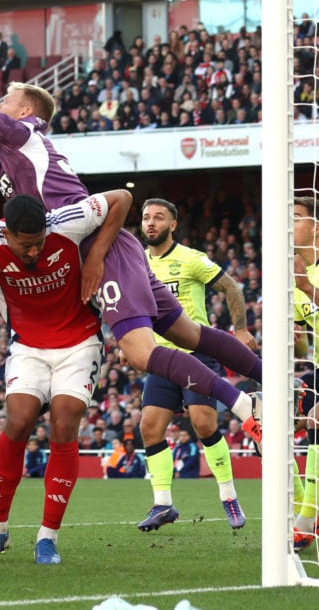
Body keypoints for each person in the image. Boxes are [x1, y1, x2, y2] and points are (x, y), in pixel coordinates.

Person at [0, 0, 263, 445]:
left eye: (8, 98)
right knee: (189, 333)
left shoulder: (23, 137)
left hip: (102, 245)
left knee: (138, 351)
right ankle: (275, 382)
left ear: (27, 111)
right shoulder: (5, 150)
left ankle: (242, 403)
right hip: (103, 244)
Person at [0, 190, 131, 565]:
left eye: (38, 244)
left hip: (79, 340)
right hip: (27, 345)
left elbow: (121, 198)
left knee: (64, 421)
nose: (33, 253)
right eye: (25, 246)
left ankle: (47, 538)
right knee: (19, 420)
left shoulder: (68, 222)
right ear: (6, 233)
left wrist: (97, 256)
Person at [137, 197, 252, 531]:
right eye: (146, 218)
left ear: (173, 225)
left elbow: (230, 286)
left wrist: (240, 328)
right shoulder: (137, 263)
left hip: (195, 353)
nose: (151, 223)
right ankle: (162, 505)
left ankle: (229, 496)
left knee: (203, 424)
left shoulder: (190, 259)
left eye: (159, 218)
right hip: (159, 357)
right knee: (149, 427)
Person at [292, 195, 319, 552]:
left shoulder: (304, 277)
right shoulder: (293, 271)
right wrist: (294, 335)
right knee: (266, 420)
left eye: (295, 217)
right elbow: (302, 349)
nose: (288, 223)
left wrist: (307, 289)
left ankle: (306, 519)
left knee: (316, 418)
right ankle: (303, 506)